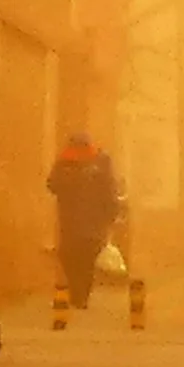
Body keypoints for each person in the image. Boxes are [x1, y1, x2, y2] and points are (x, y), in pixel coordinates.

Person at [46, 131, 121, 310]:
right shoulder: (67, 162)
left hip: (84, 221)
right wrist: (111, 214)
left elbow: (109, 188)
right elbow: (52, 184)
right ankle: (79, 294)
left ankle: (80, 295)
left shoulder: (99, 162)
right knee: (75, 257)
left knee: (80, 257)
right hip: (76, 221)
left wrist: (111, 212)